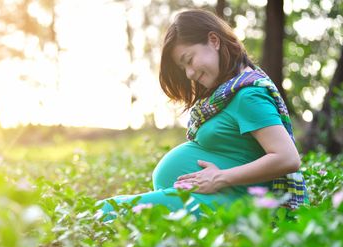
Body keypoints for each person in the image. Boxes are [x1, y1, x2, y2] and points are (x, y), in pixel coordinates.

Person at [98, 9, 307, 221]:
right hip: (218, 200)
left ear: (214, 40)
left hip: (236, 206)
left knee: (107, 211)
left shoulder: (248, 95)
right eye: (183, 67)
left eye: (188, 60)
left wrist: (220, 178)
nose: (189, 73)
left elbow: (287, 158)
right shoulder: (227, 93)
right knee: (110, 212)